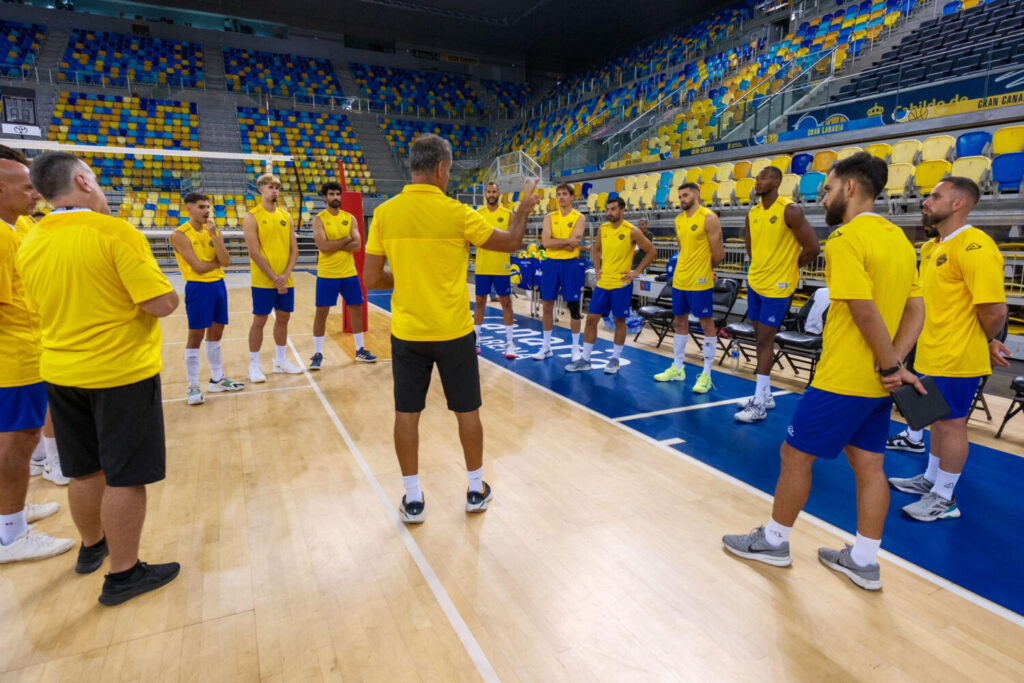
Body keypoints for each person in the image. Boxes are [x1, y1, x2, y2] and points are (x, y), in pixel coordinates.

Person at [722, 153, 924, 591]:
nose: (824, 197)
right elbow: (915, 308)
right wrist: (894, 365)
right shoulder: (900, 240)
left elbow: (862, 309)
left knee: (794, 456)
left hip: (842, 379)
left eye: (828, 189)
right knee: (870, 468)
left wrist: (889, 362)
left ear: (850, 188)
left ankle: (775, 540)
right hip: (876, 385)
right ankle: (864, 560)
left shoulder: (846, 240)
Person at [17, 152, 180, 604]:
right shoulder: (113, 232)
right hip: (119, 372)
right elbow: (161, 303)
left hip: (60, 371)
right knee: (126, 476)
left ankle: (92, 548)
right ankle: (124, 575)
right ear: (84, 181)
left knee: (84, 470)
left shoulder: (31, 240)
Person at [363, 134, 540, 524]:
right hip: (454, 332)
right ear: (442, 168)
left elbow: (372, 278)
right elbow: (511, 242)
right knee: (467, 411)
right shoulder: (458, 213)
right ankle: (475, 490)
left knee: (406, 414)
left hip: (408, 333)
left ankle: (413, 500)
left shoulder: (386, 213)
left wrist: (407, 277)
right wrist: (523, 209)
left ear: (413, 166)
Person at [887, 178, 1009, 521]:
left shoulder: (975, 246)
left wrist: (984, 341)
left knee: (952, 424)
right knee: (936, 422)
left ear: (959, 204)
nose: (926, 201)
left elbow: (995, 310)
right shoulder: (933, 247)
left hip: (958, 356)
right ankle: (930, 480)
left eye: (935, 196)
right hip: (931, 352)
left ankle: (945, 497)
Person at [0, 145, 74, 563]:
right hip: (14, 357)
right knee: (17, 443)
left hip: (27, 348)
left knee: (18, 444)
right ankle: (12, 534)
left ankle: (12, 509)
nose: (35, 194)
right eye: (27, 187)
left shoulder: (17, 228)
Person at [735, 166, 819, 422]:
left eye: (763, 177)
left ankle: (759, 403)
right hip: (756, 282)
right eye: (757, 177)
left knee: (764, 341)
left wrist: (788, 268)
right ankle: (766, 394)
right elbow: (751, 248)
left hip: (778, 287)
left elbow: (813, 248)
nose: (757, 181)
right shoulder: (752, 213)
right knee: (760, 337)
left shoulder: (790, 209)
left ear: (777, 181)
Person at [566, 197, 655, 375]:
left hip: (621, 285)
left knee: (619, 320)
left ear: (622, 211)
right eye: (608, 209)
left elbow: (651, 251)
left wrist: (636, 272)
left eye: (613, 209)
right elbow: (596, 249)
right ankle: (585, 359)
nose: (609, 213)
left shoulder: (632, 231)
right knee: (591, 320)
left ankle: (615, 359)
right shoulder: (603, 228)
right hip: (603, 283)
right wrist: (597, 270)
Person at [170, 192, 244, 405]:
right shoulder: (179, 235)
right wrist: (217, 263)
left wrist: (215, 238)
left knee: (217, 333)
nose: (206, 211)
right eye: (201, 207)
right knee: (195, 336)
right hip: (198, 287)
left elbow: (227, 261)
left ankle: (217, 379)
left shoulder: (214, 231)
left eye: (208, 207)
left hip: (218, 285)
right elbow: (199, 267)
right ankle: (193, 386)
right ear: (189, 209)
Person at [653, 182, 724, 393]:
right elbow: (684, 249)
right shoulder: (679, 220)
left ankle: (707, 374)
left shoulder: (709, 218)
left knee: (706, 324)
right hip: (680, 280)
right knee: (679, 321)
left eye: (685, 195)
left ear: (696, 195)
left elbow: (718, 255)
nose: (682, 199)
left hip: (700, 281)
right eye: (680, 196)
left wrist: (705, 268)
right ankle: (677, 368)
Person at [310, 181, 377, 369]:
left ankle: (360, 349)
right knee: (321, 312)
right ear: (324, 197)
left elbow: (358, 245)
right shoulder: (319, 219)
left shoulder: (351, 218)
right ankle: (317, 353)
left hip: (348, 273)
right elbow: (323, 246)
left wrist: (336, 244)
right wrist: (347, 239)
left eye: (337, 194)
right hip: (327, 273)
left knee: (356, 308)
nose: (335, 198)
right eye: (331, 194)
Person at [244, 173, 302, 381]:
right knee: (260, 320)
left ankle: (280, 361)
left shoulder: (285, 216)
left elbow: (294, 250)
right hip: (263, 280)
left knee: (284, 318)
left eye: (277, 187)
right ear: (260, 189)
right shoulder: (252, 216)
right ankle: (253, 365)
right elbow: (254, 252)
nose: (274, 191)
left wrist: (285, 275)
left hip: (285, 278)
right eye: (270, 187)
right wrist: (275, 278)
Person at [532, 183, 585, 361]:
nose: (561, 197)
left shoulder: (579, 217)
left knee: (573, 308)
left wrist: (558, 241)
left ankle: (575, 349)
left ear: (572, 197)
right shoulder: (549, 217)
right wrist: (567, 241)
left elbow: (574, 244)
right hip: (551, 264)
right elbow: (546, 243)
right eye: (559, 194)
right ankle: (546, 347)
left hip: (570, 264)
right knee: (547, 305)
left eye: (564, 194)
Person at [472, 181, 517, 359]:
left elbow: (513, 239)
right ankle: (475, 340)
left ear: (499, 194)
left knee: (506, 303)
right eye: (489, 192)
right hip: (482, 266)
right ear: (485, 194)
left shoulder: (508, 214)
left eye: (494, 192)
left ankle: (510, 343)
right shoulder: (478, 214)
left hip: (501, 266)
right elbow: (473, 238)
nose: (491, 194)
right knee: (480, 302)